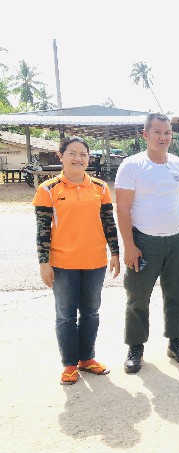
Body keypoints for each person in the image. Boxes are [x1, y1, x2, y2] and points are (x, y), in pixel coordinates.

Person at [33, 137, 120, 385]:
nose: (78, 158)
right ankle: (70, 364)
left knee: (91, 312)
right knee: (65, 315)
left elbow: (109, 223)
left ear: (88, 158)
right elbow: (42, 230)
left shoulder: (100, 188)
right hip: (63, 264)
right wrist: (44, 263)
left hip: (95, 262)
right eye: (72, 153)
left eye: (83, 154)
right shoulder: (48, 189)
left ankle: (87, 358)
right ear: (60, 156)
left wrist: (115, 253)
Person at [115, 113, 179, 374]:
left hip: (176, 240)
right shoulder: (132, 166)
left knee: (177, 293)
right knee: (138, 296)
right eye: (158, 132)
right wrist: (129, 246)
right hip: (144, 240)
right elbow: (123, 209)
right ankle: (135, 347)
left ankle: (176, 341)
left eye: (167, 133)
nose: (163, 137)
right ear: (145, 135)